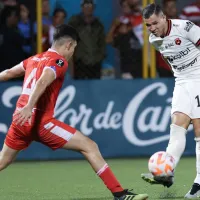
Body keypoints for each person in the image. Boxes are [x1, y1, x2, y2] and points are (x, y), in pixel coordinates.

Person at [0, 24, 148, 200]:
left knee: (3, 160)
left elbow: (8, 73)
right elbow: (43, 80)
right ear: (69, 45)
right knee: (89, 146)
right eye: (74, 49)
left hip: (19, 120)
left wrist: (25, 108)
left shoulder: (33, 59)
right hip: (38, 120)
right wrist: (29, 106)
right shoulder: (59, 61)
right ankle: (120, 194)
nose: (72, 53)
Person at [141, 3, 200, 199]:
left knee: (199, 129)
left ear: (164, 17)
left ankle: (199, 182)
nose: (152, 28)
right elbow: (169, 59)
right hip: (182, 81)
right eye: (148, 25)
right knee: (177, 125)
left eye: (155, 23)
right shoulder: (153, 39)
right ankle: (167, 172)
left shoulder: (185, 27)